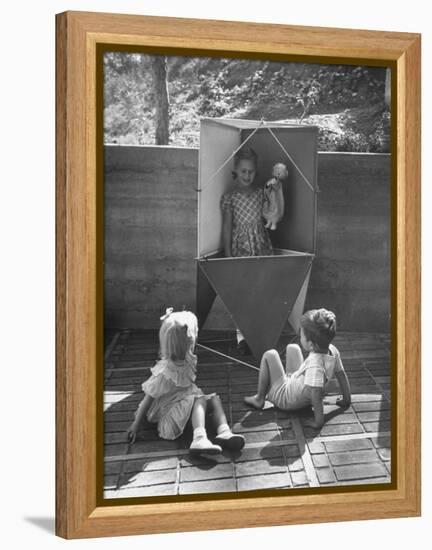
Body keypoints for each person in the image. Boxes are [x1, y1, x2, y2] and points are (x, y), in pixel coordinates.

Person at [127, 308, 245, 454]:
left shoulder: (188, 359)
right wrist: (136, 425)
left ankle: (224, 432)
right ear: (186, 342)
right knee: (199, 399)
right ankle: (199, 439)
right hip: (168, 415)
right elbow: (148, 398)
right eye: (191, 338)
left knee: (214, 399)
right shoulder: (165, 372)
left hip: (182, 401)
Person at [244, 308, 351, 429]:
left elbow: (316, 395)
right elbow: (341, 375)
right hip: (299, 389)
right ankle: (285, 380)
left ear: (311, 344)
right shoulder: (333, 350)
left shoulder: (315, 367)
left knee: (270, 354)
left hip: (285, 398)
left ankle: (259, 398)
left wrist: (318, 422)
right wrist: (346, 400)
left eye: (302, 335)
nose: (300, 337)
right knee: (293, 347)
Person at [220, 146, 272, 354]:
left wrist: (276, 190)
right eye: (243, 171)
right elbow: (227, 226)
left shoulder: (260, 193)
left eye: (251, 171)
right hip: (240, 248)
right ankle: (242, 337)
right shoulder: (230, 197)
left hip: (260, 246)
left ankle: (259, 333)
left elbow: (273, 212)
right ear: (236, 170)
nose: (247, 175)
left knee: (260, 291)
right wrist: (227, 254)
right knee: (242, 294)